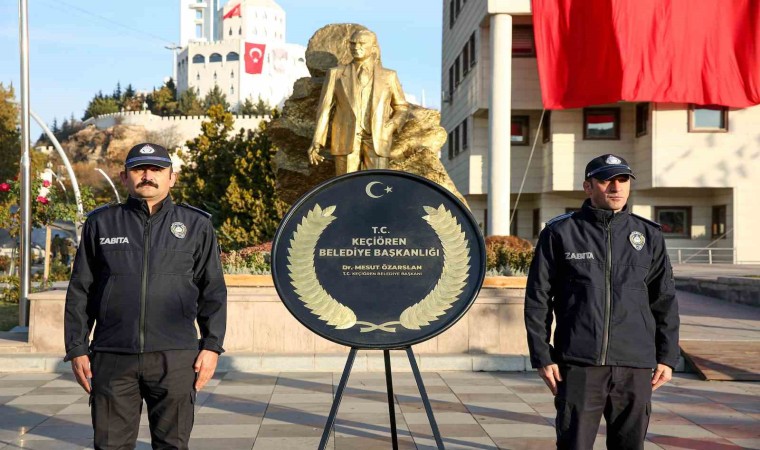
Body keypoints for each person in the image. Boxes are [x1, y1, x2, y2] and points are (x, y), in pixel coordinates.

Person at [64, 143, 227, 450]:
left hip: (175, 357)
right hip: (113, 355)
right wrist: (77, 348)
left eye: (156, 169)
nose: (147, 175)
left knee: (172, 445)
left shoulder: (196, 225)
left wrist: (212, 346)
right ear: (124, 177)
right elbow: (80, 290)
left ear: (172, 178)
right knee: (111, 445)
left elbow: (213, 291)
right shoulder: (101, 223)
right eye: (139, 169)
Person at [524, 154, 679, 450]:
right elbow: (538, 298)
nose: (616, 187)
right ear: (588, 186)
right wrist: (542, 356)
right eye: (607, 180)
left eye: (623, 180)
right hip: (579, 364)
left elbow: (664, 299)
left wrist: (667, 357)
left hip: (635, 365)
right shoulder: (560, 233)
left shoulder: (649, 235)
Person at [308, 28, 409, 175]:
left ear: (373, 48)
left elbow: (402, 107)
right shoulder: (335, 74)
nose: (356, 47)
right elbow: (324, 109)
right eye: (353, 43)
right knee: (346, 185)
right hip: (345, 138)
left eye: (362, 43)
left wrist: (391, 125)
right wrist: (317, 141)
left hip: (378, 138)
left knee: (377, 184)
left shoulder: (389, 76)